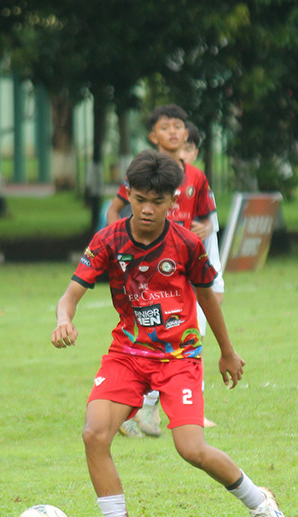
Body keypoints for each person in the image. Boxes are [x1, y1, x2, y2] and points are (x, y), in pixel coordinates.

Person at [51, 149, 290, 517]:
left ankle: (260, 502)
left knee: (191, 448)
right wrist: (63, 319)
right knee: (94, 433)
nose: (146, 209)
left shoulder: (186, 244)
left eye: (157, 202)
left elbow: (209, 299)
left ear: (172, 202)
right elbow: (69, 296)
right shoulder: (108, 239)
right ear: (128, 194)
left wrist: (227, 352)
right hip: (127, 354)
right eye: (139, 199)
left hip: (179, 358)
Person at [107, 105, 224, 436]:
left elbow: (206, 218)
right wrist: (119, 249)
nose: (173, 132)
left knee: (185, 335)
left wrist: (202, 228)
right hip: (151, 271)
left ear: (187, 133)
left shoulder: (197, 176)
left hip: (185, 267)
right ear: (153, 135)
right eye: (165, 127)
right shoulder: (143, 171)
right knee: (156, 337)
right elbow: (114, 210)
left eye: (178, 126)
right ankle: (143, 409)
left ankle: (157, 409)